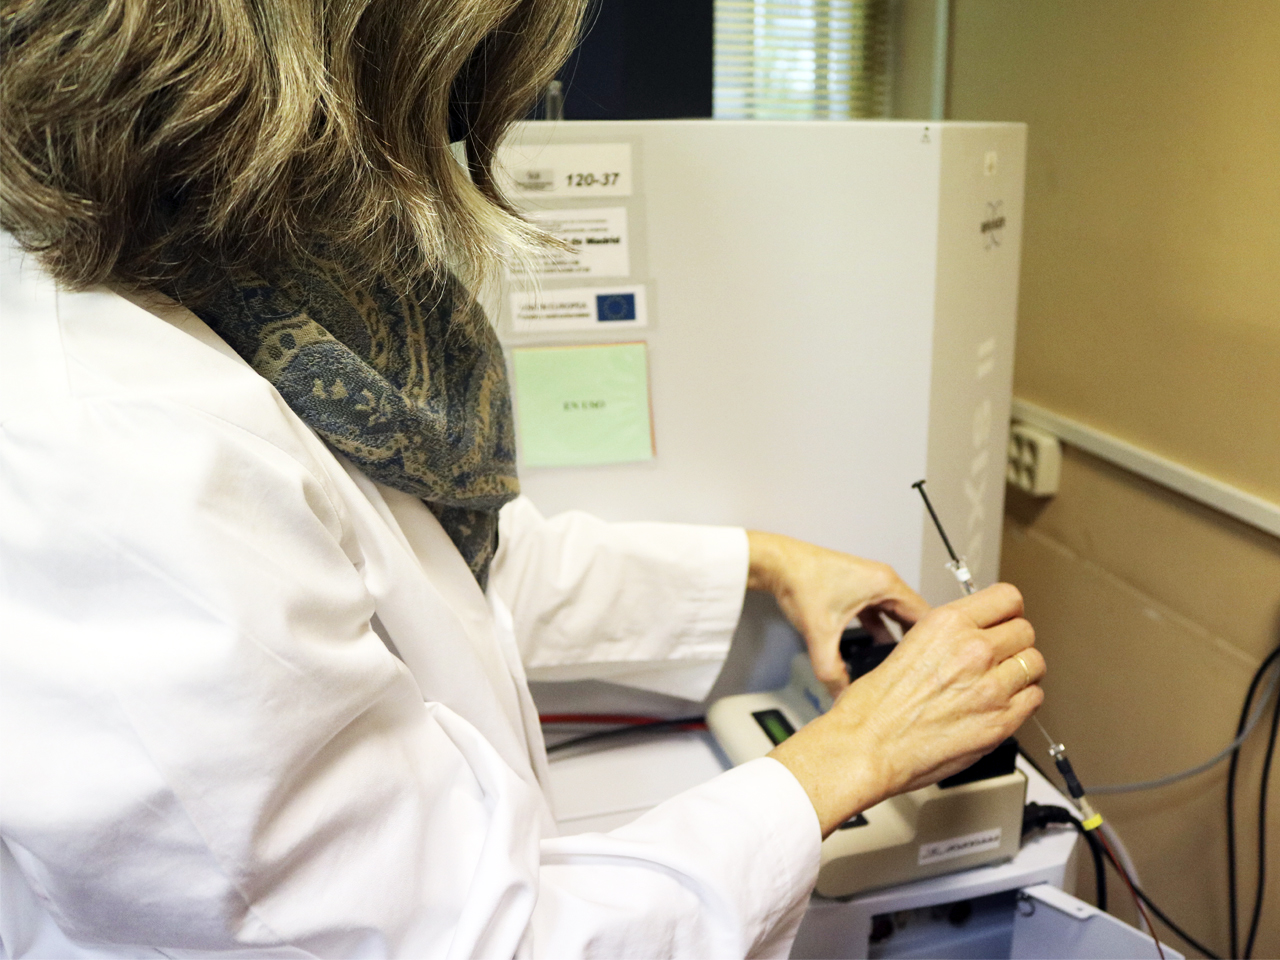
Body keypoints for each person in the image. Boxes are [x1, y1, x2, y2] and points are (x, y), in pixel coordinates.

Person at [0, 1, 1045, 956]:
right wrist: (845, 758)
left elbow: (442, 572)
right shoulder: (106, 440)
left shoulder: (228, 285)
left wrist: (763, 563)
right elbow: (480, 943)